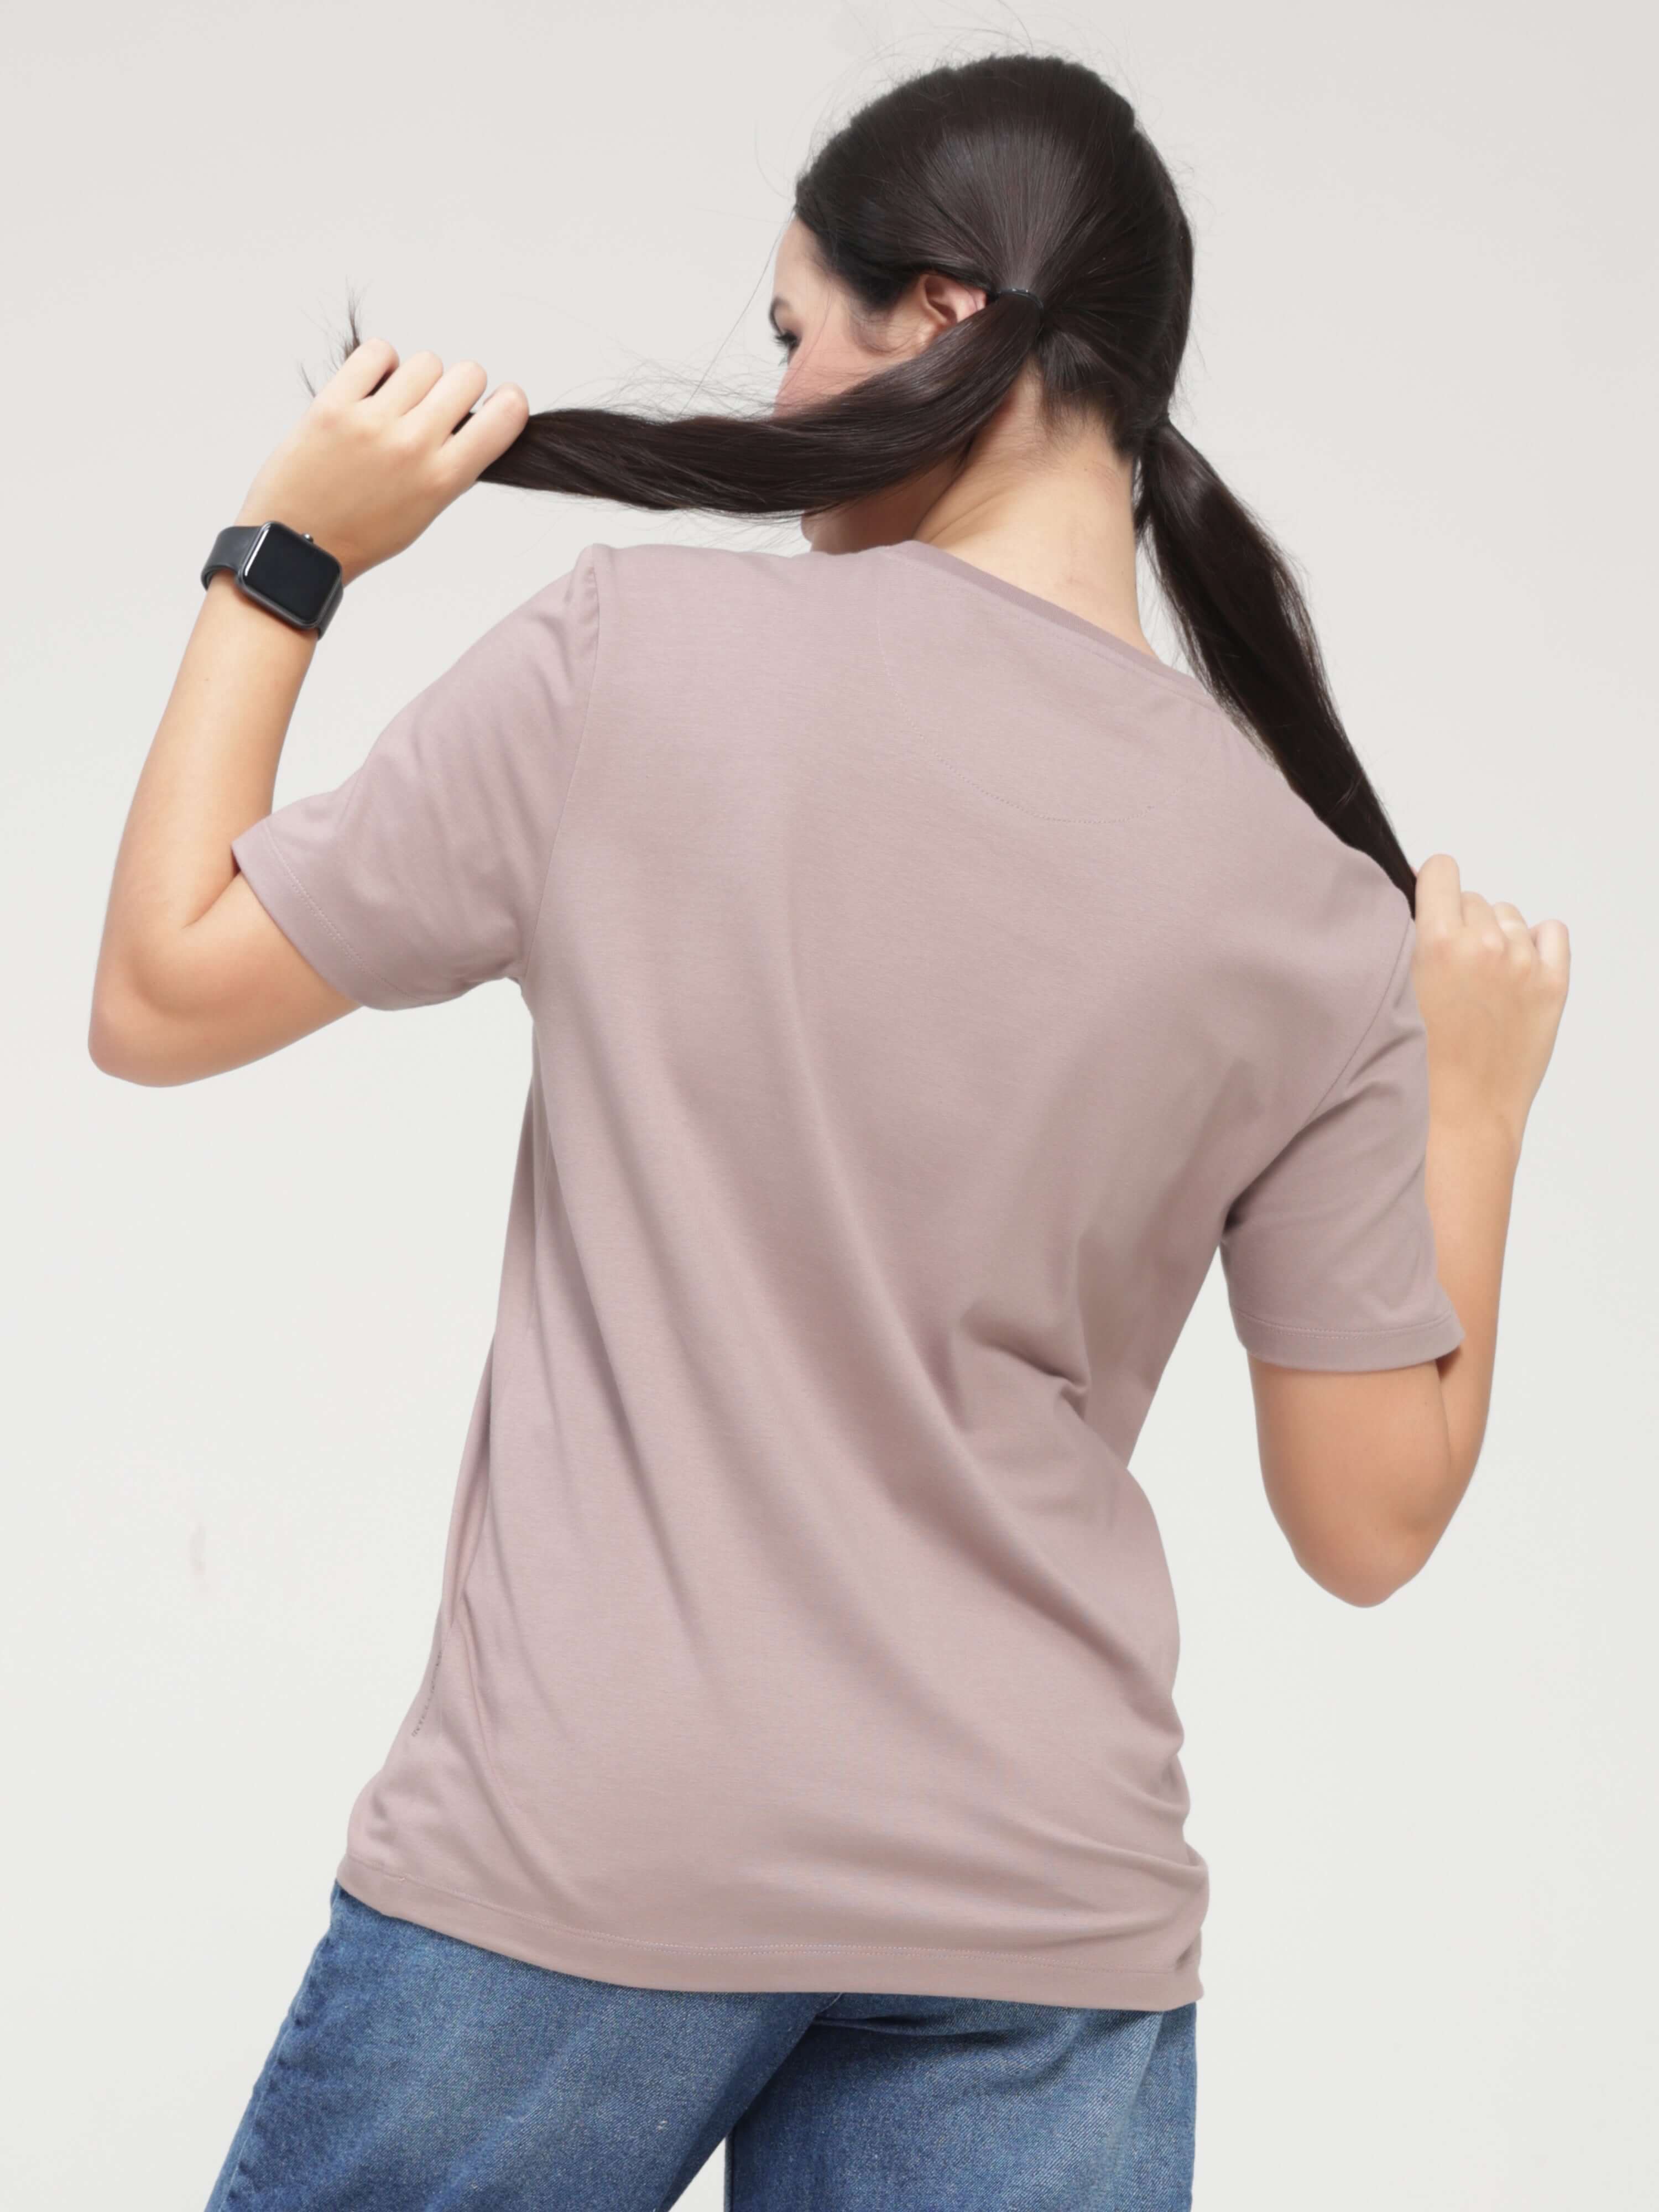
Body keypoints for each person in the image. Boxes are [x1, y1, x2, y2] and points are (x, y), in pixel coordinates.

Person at [89, 48, 1570, 2212]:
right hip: (1038, 1913)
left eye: (799, 328)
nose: (780, 397)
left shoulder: (632, 658)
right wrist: (1480, 1104)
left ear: (944, 317)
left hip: (596, 1845)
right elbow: (1368, 1524)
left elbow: (160, 991)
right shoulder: (1310, 906)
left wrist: (290, 552)